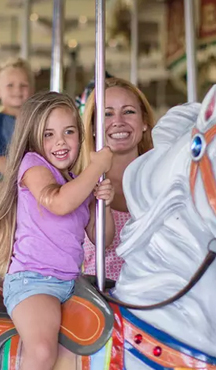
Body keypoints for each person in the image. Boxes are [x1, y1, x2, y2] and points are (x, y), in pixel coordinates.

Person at [0, 91, 115, 370]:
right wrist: (96, 166)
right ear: (33, 139)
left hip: (72, 284)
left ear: (80, 137)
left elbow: (103, 239)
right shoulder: (33, 166)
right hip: (34, 283)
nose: (60, 141)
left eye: (69, 131)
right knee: (41, 352)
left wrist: (104, 205)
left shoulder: (76, 183)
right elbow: (57, 202)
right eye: (48, 134)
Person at [75, 77, 156, 281]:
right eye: (107, 114)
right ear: (93, 126)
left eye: (128, 111)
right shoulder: (82, 184)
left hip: (157, 296)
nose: (118, 121)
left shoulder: (162, 182)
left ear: (144, 122)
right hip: (104, 296)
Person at [0, 57, 34, 209]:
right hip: (1, 183)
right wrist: (30, 182)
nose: (17, 90)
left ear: (31, 90)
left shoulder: (35, 123)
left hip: (29, 183)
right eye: (10, 85)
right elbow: (0, 162)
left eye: (23, 85)